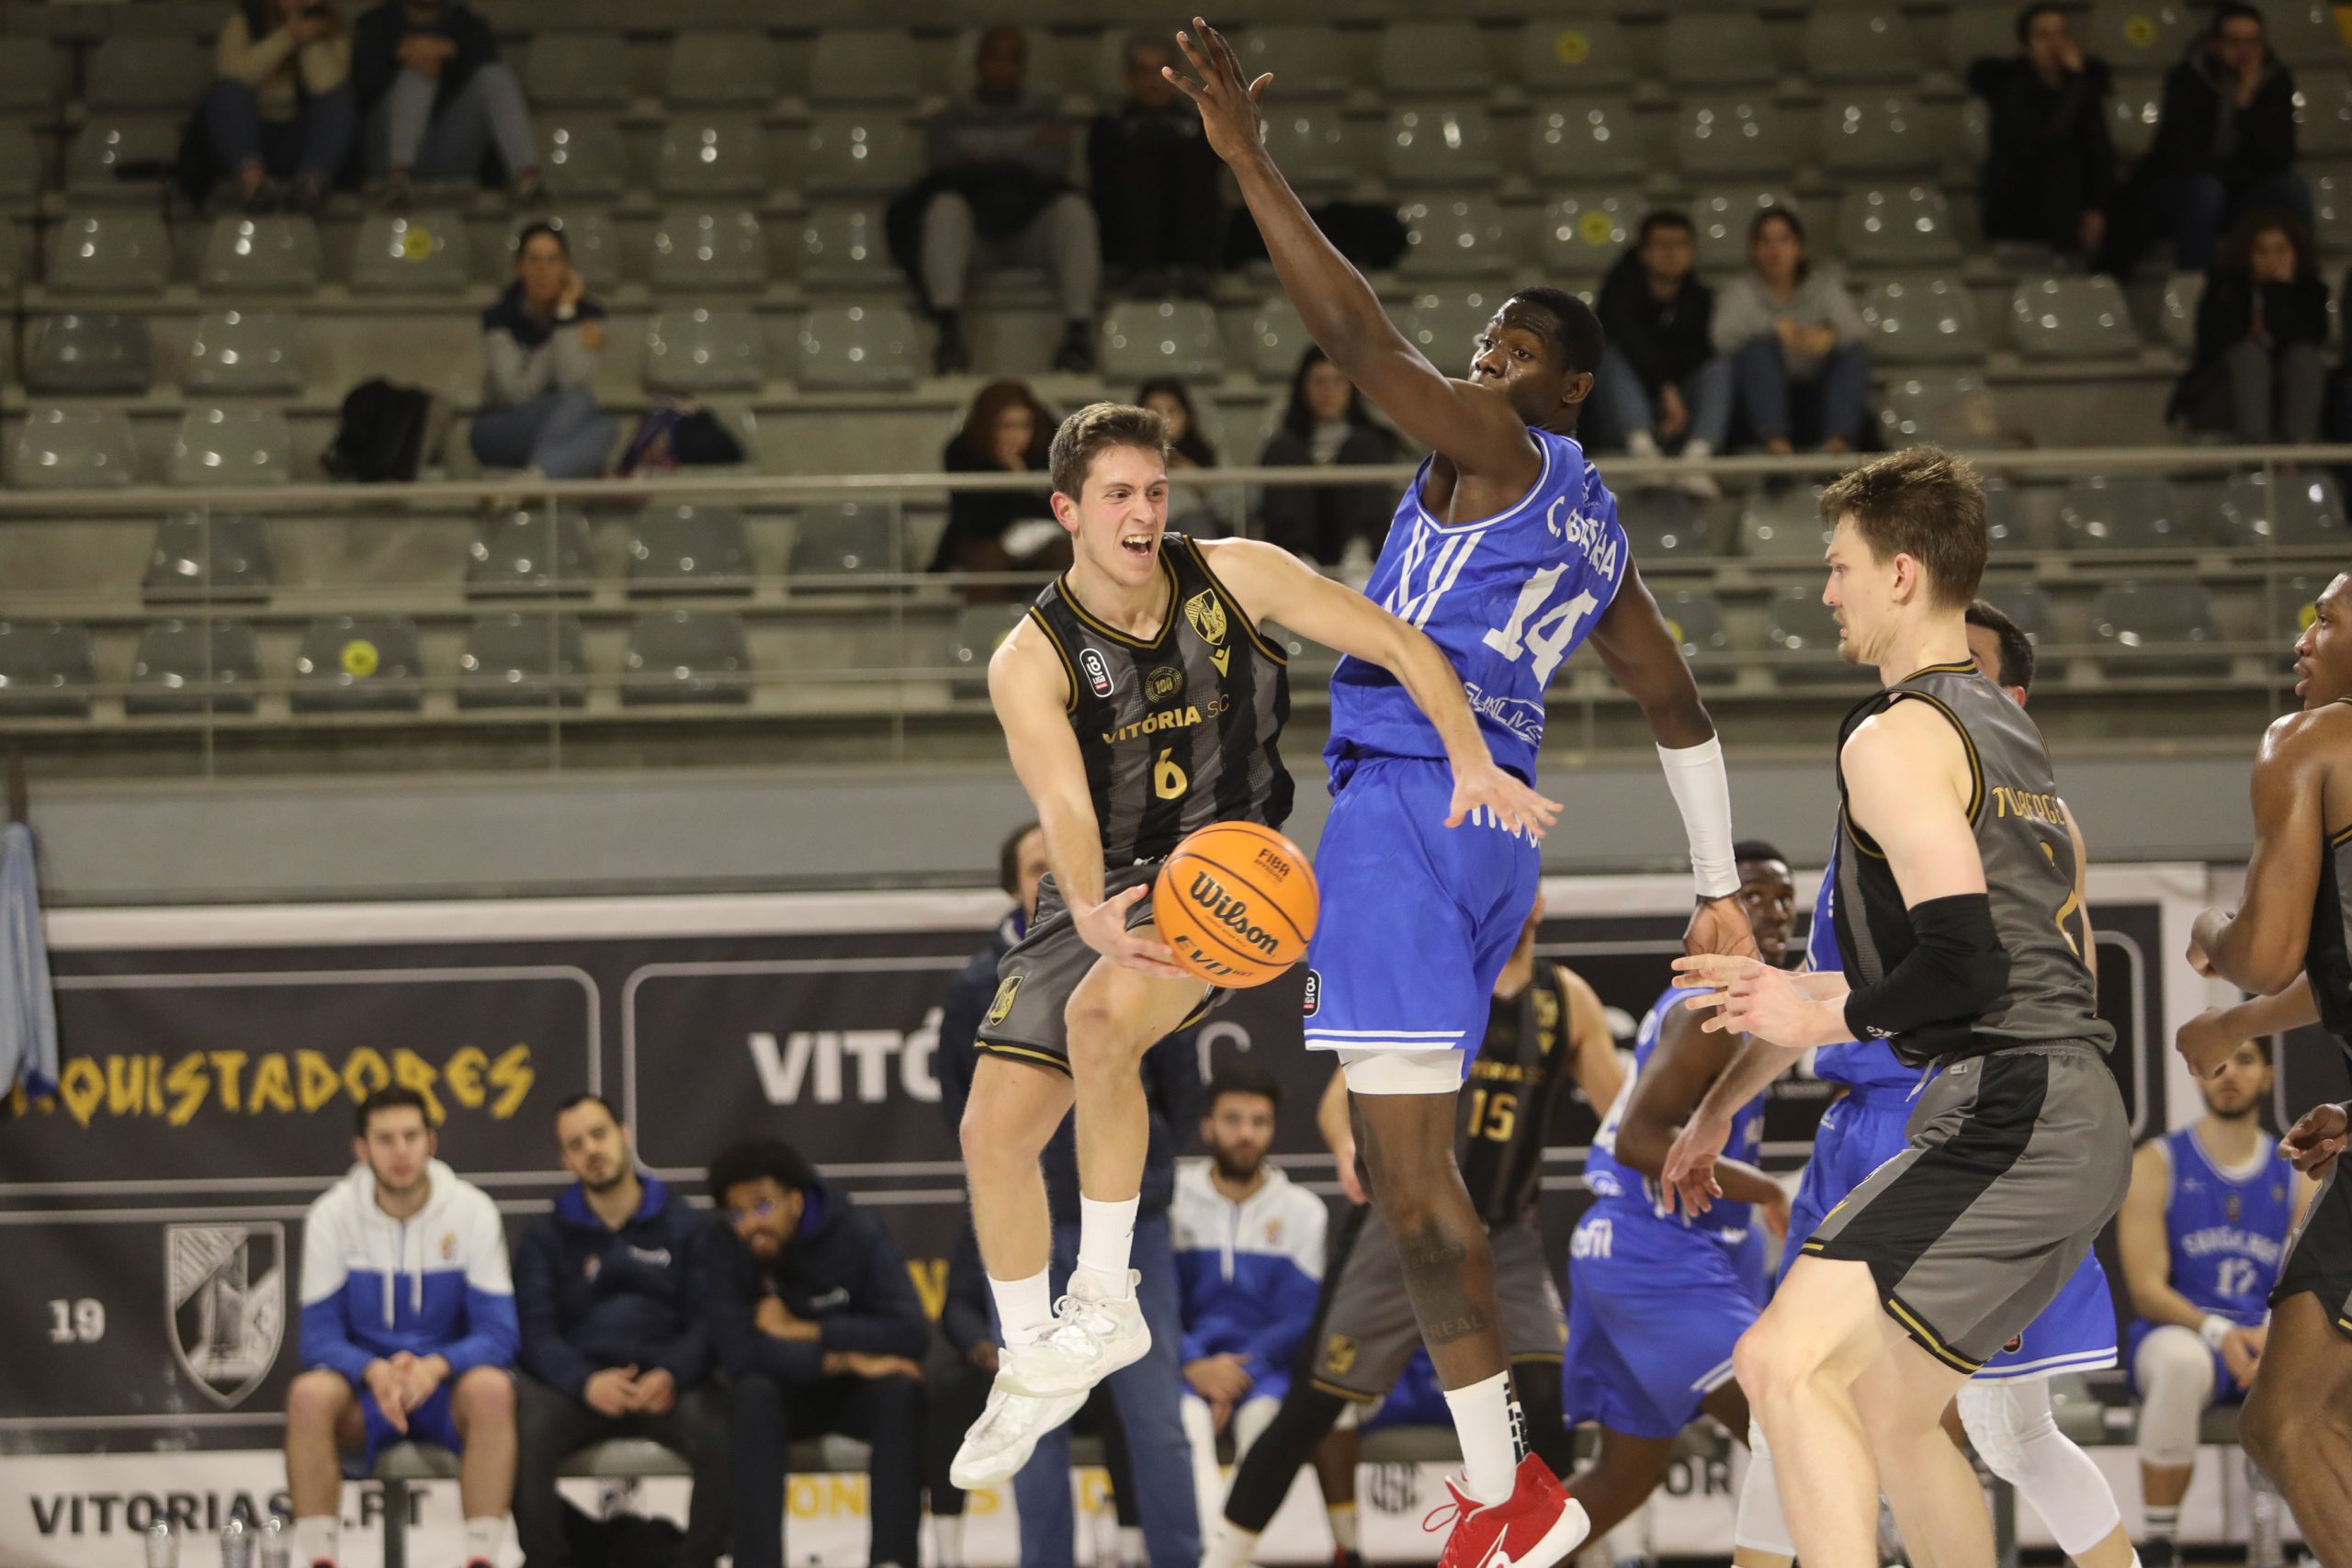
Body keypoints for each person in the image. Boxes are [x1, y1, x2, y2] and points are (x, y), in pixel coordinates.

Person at [1175, 25, 1753, 1563]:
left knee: (1413, 1191)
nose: (1491, 355)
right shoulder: (1601, 535)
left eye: (1520, 345)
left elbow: (1361, 348)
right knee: (1416, 1185)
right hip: (1491, 828)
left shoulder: (1507, 444)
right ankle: (1513, 1491)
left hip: (1411, 806)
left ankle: (1518, 1494)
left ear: (1571, 385)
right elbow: (1675, 702)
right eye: (1486, 337)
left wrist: (1251, 165)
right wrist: (1711, 881)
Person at [1665, 448, 2131, 1568]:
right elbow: (2008, 962)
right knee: (1890, 1409)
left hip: (2012, 1107)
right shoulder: (2005, 731)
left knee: (1779, 1362)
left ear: (1902, 574)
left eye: (1839, 566)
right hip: (2061, 1105)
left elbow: (1964, 971)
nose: (1827, 591)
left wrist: (1815, 1020)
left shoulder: (1892, 733)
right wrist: (1800, 990)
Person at [1202, 903, 1623, 1568]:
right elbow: (1337, 1101)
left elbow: (1620, 1116)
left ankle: (1532, 1551)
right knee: (1314, 1403)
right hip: (1405, 1230)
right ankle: (1222, 1557)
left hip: (1507, 1234)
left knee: (1546, 1397)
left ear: (1535, 900)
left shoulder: (1567, 998)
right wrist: (1350, 1148)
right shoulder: (1437, 975)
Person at [934, 818, 1204, 1568]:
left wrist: (1140, 1174)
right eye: (1037, 866)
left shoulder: (1144, 938)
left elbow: (1179, 1089)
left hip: (1130, 1221)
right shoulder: (975, 984)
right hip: (1033, 1224)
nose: (1051, 872)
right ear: (1015, 886)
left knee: (1156, 1420)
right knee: (1032, 1419)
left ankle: (1181, 1560)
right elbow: (964, 1108)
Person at [2178, 567, 2352, 1559]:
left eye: (2325, 620)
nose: (2303, 637)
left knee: (2285, 1420)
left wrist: (2214, 933)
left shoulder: (2310, 741)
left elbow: (2268, 950)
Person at [1563, 846, 1797, 1559]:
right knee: (1795, 1433)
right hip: (1651, 1251)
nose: (1774, 911)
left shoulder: (1753, 1001)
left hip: (1653, 1247)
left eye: (1784, 897)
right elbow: (1638, 1138)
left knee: (1621, 1479)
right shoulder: (1708, 1008)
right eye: (1754, 896)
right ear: (1717, 912)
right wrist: (1766, 1189)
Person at [287, 1087, 518, 1568]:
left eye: (411, 1137)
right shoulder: (331, 1214)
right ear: (362, 1149)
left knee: (493, 1390)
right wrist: (373, 1371)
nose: (400, 1151)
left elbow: (500, 1333)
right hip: (367, 1394)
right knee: (307, 1395)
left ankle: (481, 1558)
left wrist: (435, 1366)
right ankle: (320, 1559)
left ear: (431, 1142)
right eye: (385, 1139)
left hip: (444, 1390)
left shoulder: (472, 1210)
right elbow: (318, 1338)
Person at [2118, 1033, 2311, 1568]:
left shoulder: (2295, 1173)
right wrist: (2219, 1333)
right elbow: (2146, 1290)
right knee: (2179, 1365)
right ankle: (2161, 1546)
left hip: (2268, 1337)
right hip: (2184, 1334)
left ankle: (2316, 1542)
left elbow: (2307, 1280)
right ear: (2200, 1075)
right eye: (2219, 1064)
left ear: (2268, 1076)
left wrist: (2274, 1338)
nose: (2230, 1073)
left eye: (2245, 1060)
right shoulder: (2156, 1162)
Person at [511, 1093, 727, 1568]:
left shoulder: (688, 1226)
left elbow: (711, 1322)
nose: (591, 1149)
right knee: (521, 1433)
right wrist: (584, 1381)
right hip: (579, 1389)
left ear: (624, 1136)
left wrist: (672, 1373)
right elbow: (533, 1332)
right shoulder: (545, 1236)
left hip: (668, 1386)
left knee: (724, 1430)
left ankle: (697, 1561)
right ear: (565, 1160)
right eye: (576, 1144)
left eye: (599, 1134)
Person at [703, 1138, 927, 1568]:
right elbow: (737, 1352)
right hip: (785, 1393)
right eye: (737, 1213)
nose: (751, 1224)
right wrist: (841, 1358)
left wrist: (806, 1329)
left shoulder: (857, 1231)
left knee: (899, 1389)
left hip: (856, 1394)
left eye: (762, 1205)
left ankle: (892, 1560)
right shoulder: (723, 1245)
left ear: (796, 1200)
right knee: (750, 1393)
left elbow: (910, 1332)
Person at [1171, 1063, 1327, 1530]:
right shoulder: (1171, 1201)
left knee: (1263, 1425)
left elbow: (1300, 1319)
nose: (1246, 1134)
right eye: (1233, 1120)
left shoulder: (1304, 1211)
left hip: (1264, 1373)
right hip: (1184, 1369)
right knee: (1187, 1423)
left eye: (1259, 1122)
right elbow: (1153, 1302)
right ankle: (1219, 1553)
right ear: (1207, 1127)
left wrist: (1239, 1375)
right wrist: (1194, 1364)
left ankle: (1222, 1554)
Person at [916, 26, 1098, 375]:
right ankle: (948, 332)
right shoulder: (947, 120)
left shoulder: (1047, 115)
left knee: (1074, 211)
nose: (1003, 68)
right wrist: (1022, 156)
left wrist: (978, 160)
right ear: (979, 63)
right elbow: (944, 167)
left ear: (1023, 67)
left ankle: (1078, 334)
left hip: (1032, 231)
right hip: (975, 236)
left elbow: (1052, 166)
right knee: (944, 208)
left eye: (1012, 59)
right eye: (995, 58)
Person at [2132, 3, 2310, 274]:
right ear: (2214, 45)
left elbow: (2279, 156)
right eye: (2233, 42)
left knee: (2292, 189)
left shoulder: (2275, 80)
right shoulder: (2188, 78)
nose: (2243, 51)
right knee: (2206, 191)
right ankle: (2196, 284)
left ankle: (2303, 283)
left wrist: (2246, 109)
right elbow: (2177, 154)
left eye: (2251, 42)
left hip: (2245, 192)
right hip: (2191, 190)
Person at [1711, 209, 1871, 456]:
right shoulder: (1740, 290)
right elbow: (1720, 336)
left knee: (1852, 353)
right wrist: (1772, 328)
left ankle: (1837, 446)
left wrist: (1830, 335)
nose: (1774, 250)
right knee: (1757, 351)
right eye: (1765, 242)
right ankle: (1777, 446)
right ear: (1753, 250)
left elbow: (1859, 332)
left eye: (1783, 240)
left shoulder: (1823, 286)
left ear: (1800, 248)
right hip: (1757, 405)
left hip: (1816, 397)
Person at [351, 0, 538, 208]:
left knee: (494, 76)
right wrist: (400, 52)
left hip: (448, 148)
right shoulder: (376, 23)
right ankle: (398, 180)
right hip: (385, 148)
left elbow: (484, 57)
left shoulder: (467, 23)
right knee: (418, 75)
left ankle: (528, 182)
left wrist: (450, 50)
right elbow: (362, 86)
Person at [1967, 3, 2114, 264]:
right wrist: (2076, 81)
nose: (2054, 45)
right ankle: (2067, 255)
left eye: (2060, 35)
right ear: (2025, 47)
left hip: (2075, 201)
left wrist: (2096, 208)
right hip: (2020, 200)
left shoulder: (2086, 89)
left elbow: (2099, 150)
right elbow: (2048, 137)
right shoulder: (2011, 87)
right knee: (2063, 161)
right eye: (2043, 36)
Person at [1592, 211, 1730, 487]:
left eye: (1680, 245)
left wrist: (1671, 397)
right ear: (1643, 252)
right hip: (1622, 411)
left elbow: (1696, 353)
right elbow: (1631, 341)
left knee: (1720, 367)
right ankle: (1643, 453)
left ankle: (1697, 459)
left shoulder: (1699, 298)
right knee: (1611, 356)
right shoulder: (1617, 293)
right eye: (1663, 245)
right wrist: (1664, 388)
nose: (1672, 253)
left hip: (1678, 410)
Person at [2169, 209, 2329, 446]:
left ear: (2296, 254)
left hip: (2285, 398)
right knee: (2249, 355)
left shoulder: (2311, 292)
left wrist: (2280, 293)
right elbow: (2217, 341)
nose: (2271, 259)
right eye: (2261, 251)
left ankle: (2299, 451)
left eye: (2280, 250)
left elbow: (2308, 338)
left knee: (2303, 356)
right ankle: (2256, 452)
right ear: (2246, 254)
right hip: (2224, 394)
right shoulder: (2223, 288)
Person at [470, 222, 615, 481]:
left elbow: (571, 379)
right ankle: (544, 475)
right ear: (520, 266)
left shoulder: (588, 317)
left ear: (566, 267)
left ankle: (535, 477)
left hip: (561, 423)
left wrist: (566, 314)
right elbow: (516, 393)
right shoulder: (499, 318)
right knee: (580, 402)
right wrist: (560, 333)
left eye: (552, 260)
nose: (543, 270)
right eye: (534, 260)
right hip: (500, 426)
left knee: (606, 427)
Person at [1090, 32, 1224, 297]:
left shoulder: (1199, 125)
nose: (1154, 82)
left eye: (1161, 72)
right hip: (1125, 234)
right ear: (1129, 77)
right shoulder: (1107, 126)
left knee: (1194, 169)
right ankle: (1144, 271)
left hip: (1182, 226)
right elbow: (1104, 182)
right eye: (1145, 72)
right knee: (1140, 171)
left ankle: (1194, 269)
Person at [1254, 347, 1408, 575]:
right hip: (1303, 544)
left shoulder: (1375, 440)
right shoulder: (1284, 445)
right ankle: (1296, 558)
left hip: (1357, 552)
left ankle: (1360, 554)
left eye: (1338, 382)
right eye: (1319, 382)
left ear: (1352, 387)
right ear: (1303, 387)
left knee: (1364, 443)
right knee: (1284, 449)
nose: (1329, 392)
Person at [205, 0, 354, 214]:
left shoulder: (332, 25)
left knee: (339, 101)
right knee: (225, 92)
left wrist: (308, 37)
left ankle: (310, 186)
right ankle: (253, 184)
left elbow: (328, 86)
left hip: (302, 136)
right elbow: (234, 77)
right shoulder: (245, 21)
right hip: (251, 132)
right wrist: (288, 37)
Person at [933, 379, 1061, 576]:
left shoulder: (1049, 448)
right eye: (1007, 426)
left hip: (1038, 534)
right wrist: (1009, 477)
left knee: (1063, 552)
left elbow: (1055, 510)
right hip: (982, 536)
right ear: (988, 426)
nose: (1017, 435)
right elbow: (975, 518)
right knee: (986, 556)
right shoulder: (963, 451)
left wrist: (1022, 478)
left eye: (1024, 425)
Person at [1137, 377, 1233, 537]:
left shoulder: (1208, 455)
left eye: (1171, 411)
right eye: (1154, 411)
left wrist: (1202, 484)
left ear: (1187, 416)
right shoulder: (1125, 457)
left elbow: (1234, 510)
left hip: (1195, 529)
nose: (1163, 420)